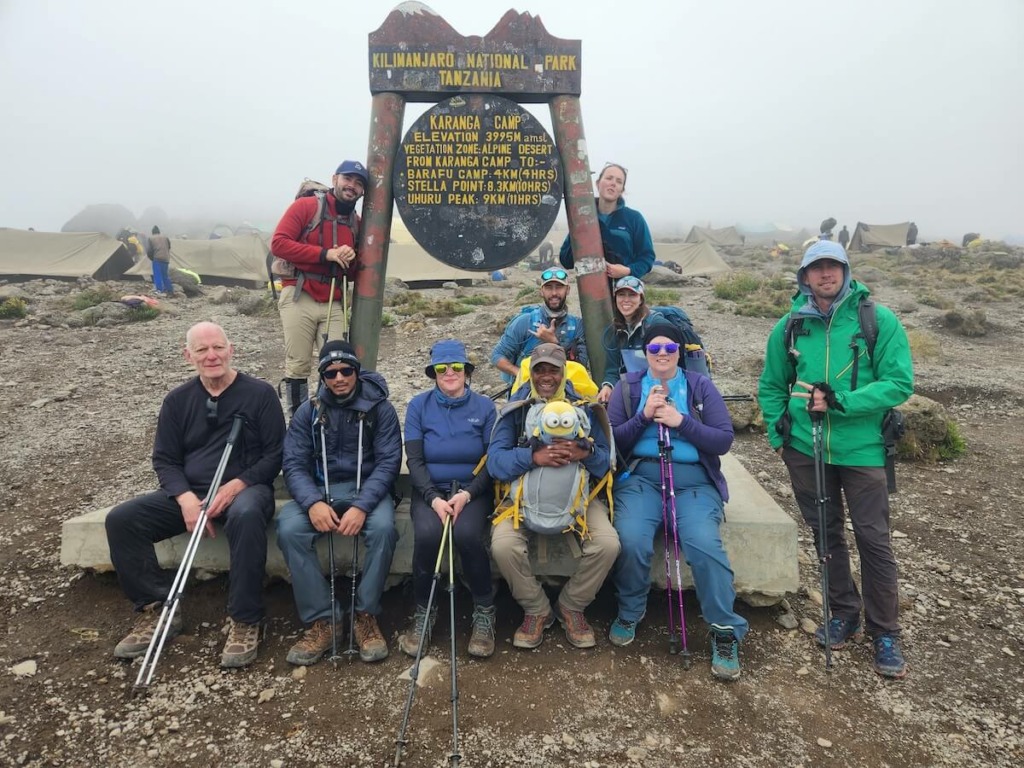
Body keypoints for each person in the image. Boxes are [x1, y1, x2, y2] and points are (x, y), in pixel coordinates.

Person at [758, 239, 914, 679]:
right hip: (806, 450)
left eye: (833, 266)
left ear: (846, 271)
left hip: (862, 450)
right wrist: (778, 436)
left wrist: (841, 401)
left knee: (874, 541)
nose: (826, 274)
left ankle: (885, 631)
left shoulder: (877, 321)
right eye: (817, 268)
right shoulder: (789, 327)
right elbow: (771, 385)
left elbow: (899, 384)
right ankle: (843, 611)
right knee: (826, 536)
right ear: (804, 276)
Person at [105, 322, 285, 668]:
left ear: (231, 350)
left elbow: (275, 454)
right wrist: (185, 498)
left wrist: (237, 485)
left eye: (218, 347)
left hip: (245, 489)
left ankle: (245, 619)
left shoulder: (260, 394)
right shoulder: (177, 401)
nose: (211, 356)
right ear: (188, 356)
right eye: (202, 350)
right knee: (123, 520)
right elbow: (165, 459)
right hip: (191, 493)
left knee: (247, 517)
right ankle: (156, 609)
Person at [607, 323, 746, 680]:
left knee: (703, 544)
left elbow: (722, 440)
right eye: (654, 348)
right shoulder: (629, 387)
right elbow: (610, 442)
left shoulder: (700, 386)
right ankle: (630, 609)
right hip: (641, 479)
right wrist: (643, 417)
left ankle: (725, 630)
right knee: (632, 538)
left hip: (694, 481)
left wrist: (680, 421)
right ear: (644, 353)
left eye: (669, 347)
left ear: (679, 350)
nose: (663, 354)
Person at [487, 343, 620, 649]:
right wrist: (534, 457)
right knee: (504, 546)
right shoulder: (516, 409)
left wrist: (583, 451)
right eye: (539, 369)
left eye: (553, 370)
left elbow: (606, 462)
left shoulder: (585, 407)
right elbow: (496, 463)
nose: (546, 376)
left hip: (579, 498)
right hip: (521, 501)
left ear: (564, 372)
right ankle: (537, 609)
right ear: (530, 373)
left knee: (608, 544)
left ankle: (571, 605)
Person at [277, 339, 401, 665]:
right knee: (289, 529)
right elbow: (293, 463)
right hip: (322, 491)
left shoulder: (380, 409)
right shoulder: (309, 411)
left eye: (346, 370)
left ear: (357, 372)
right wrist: (312, 502)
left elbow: (389, 462)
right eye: (330, 373)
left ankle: (364, 614)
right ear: (322, 376)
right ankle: (325, 618)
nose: (339, 378)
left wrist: (362, 505)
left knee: (384, 528)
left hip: (366, 491)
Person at [399, 340, 498, 659]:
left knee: (468, 534)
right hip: (431, 491)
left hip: (472, 489)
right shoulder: (418, 406)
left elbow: (492, 459)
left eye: (457, 367)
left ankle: (484, 609)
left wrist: (467, 494)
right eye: (442, 368)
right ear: (434, 373)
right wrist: (433, 499)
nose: (450, 373)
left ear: (467, 371)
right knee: (427, 535)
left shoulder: (485, 408)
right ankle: (423, 611)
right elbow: (414, 460)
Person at [270, 160, 369, 416]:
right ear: (334, 178)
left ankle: (332, 419)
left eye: (359, 183)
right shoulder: (306, 207)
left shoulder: (356, 223)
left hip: (334, 301)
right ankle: (299, 421)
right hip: (299, 294)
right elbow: (279, 244)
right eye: (348, 179)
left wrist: (351, 257)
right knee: (298, 364)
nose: (353, 186)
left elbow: (357, 271)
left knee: (337, 363)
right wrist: (326, 254)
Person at [490, 268, 588, 386]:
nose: (554, 293)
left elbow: (580, 366)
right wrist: (521, 374)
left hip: (565, 392)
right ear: (541, 291)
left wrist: (554, 343)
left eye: (559, 287)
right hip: (526, 394)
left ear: (567, 290)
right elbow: (497, 355)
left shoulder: (578, 326)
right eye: (548, 287)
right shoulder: (525, 322)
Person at [559, 162, 655, 281]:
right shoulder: (583, 217)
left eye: (619, 181)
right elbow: (566, 260)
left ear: (621, 190)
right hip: (590, 293)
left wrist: (627, 271)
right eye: (609, 178)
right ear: (598, 184)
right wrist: (580, 231)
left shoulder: (634, 218)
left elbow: (647, 257)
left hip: (624, 293)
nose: (613, 183)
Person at [596, 276, 668, 404]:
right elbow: (612, 370)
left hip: (661, 391)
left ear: (641, 299)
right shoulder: (615, 330)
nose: (626, 300)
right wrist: (608, 386)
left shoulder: (656, 325)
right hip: (632, 391)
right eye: (621, 295)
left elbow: (671, 365)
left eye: (632, 295)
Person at [147, 225, 173, 296]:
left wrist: (152, 258)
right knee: (165, 275)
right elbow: (169, 247)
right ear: (159, 232)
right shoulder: (165, 237)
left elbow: (149, 250)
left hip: (157, 258)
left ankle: (159, 290)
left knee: (157, 275)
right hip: (166, 259)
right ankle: (169, 290)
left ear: (152, 232)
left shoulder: (151, 238)